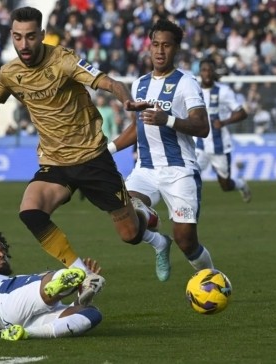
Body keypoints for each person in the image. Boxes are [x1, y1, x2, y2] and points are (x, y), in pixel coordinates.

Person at [0, 6, 171, 300]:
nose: (24, 45)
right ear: (11, 36)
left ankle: (152, 230)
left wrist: (127, 101)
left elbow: (111, 83)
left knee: (130, 235)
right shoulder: (10, 73)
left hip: (92, 157)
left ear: (42, 35)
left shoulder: (64, 60)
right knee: (30, 212)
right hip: (54, 162)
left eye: (30, 37)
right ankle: (84, 274)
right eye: (17, 38)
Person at [107, 19, 215, 280]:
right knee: (128, 224)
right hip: (146, 170)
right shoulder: (140, 83)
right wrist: (107, 149)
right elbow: (137, 128)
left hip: (179, 171)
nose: (159, 51)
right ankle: (158, 241)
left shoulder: (186, 83)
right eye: (155, 44)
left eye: (166, 45)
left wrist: (166, 119)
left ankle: (212, 279)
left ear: (176, 48)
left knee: (186, 242)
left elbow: (202, 127)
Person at [195, 59, 251, 203]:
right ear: (200, 72)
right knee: (189, 176)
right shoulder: (194, 90)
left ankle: (241, 184)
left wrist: (224, 122)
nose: (207, 73)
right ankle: (189, 207)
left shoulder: (224, 91)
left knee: (225, 186)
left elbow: (242, 113)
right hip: (199, 146)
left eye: (210, 70)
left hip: (220, 146)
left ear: (214, 72)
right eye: (204, 70)